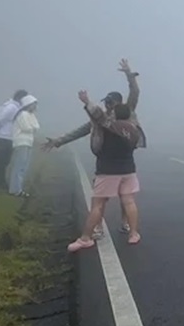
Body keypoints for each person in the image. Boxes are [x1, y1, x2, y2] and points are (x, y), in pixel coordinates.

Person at [43, 59, 141, 239]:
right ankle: (98, 227)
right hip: (105, 159)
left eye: (111, 102)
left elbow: (135, 92)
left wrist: (129, 74)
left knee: (125, 196)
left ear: (119, 103)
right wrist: (58, 141)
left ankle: (126, 224)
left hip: (123, 159)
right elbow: (81, 130)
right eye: (107, 102)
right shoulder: (100, 119)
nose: (108, 105)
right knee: (102, 198)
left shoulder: (127, 112)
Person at [68, 89, 143, 252]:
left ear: (115, 113)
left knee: (98, 205)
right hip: (128, 170)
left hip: (108, 170)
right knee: (129, 201)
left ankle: (85, 238)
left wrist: (87, 101)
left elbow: (97, 115)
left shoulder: (111, 126)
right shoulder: (135, 130)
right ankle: (134, 233)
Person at [0, 89, 28, 190]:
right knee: (2, 161)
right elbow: (1, 119)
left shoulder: (17, 107)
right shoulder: (11, 107)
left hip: (9, 137)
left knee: (5, 161)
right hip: (4, 137)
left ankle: (1, 181)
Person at [9, 95, 40, 197]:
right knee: (19, 166)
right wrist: (32, 127)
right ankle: (15, 189)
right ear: (28, 104)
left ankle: (18, 188)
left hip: (29, 142)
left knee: (24, 166)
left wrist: (32, 127)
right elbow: (27, 128)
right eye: (33, 104)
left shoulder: (31, 115)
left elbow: (37, 126)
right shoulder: (22, 114)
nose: (35, 106)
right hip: (21, 142)